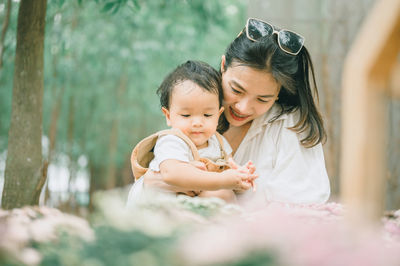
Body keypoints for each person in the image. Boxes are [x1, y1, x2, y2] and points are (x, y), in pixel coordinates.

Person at [142, 18, 330, 205]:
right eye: (237, 90)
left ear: (279, 92)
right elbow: (147, 187)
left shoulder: (289, 125)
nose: (243, 107)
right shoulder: (201, 115)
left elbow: (303, 204)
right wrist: (160, 180)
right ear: (223, 66)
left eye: (262, 99)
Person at [126, 60, 257, 206]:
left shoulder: (219, 143)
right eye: (186, 115)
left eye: (207, 115)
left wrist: (240, 175)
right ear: (168, 116)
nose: (197, 123)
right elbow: (172, 174)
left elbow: (228, 172)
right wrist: (224, 180)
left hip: (194, 210)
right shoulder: (172, 141)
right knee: (219, 192)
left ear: (218, 115)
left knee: (223, 194)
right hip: (160, 211)